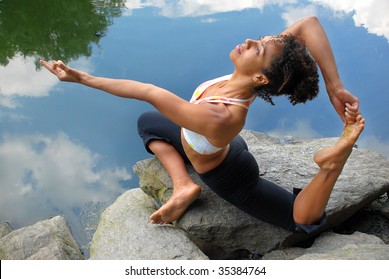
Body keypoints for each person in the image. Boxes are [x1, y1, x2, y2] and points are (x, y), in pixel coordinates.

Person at [40, 16, 364, 233]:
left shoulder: (220, 116)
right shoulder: (246, 79)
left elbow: (149, 91)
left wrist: (82, 78)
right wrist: (335, 88)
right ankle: (184, 186)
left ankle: (332, 164)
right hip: (204, 142)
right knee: (148, 124)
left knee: (304, 220)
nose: (250, 40)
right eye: (260, 39)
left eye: (258, 48)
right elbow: (309, 24)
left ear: (261, 77)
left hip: (231, 175)